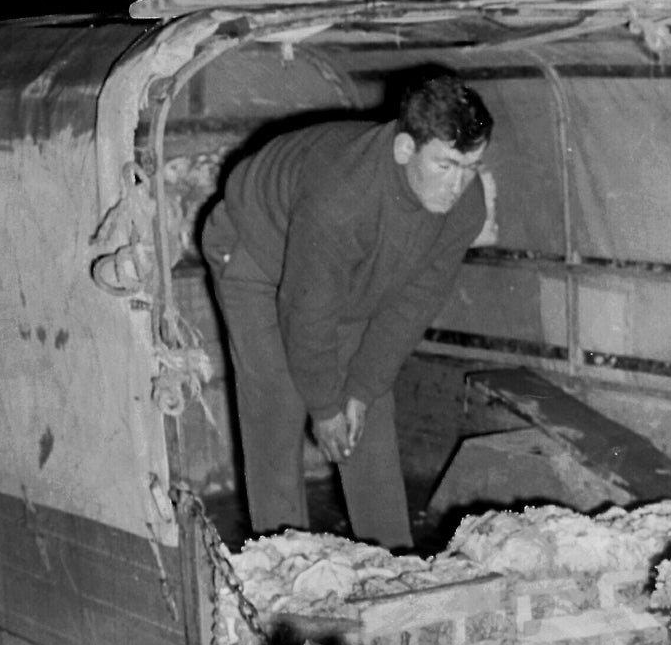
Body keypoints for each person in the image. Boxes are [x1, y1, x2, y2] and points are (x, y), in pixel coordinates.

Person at [200, 74, 495, 547]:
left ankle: (393, 566)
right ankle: (285, 563)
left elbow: (411, 305)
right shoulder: (342, 198)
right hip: (257, 249)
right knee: (278, 398)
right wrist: (325, 406)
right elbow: (308, 310)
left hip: (344, 269)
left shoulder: (465, 208)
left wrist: (358, 391)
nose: (459, 183)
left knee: (370, 408)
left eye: (471, 165)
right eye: (445, 165)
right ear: (404, 149)